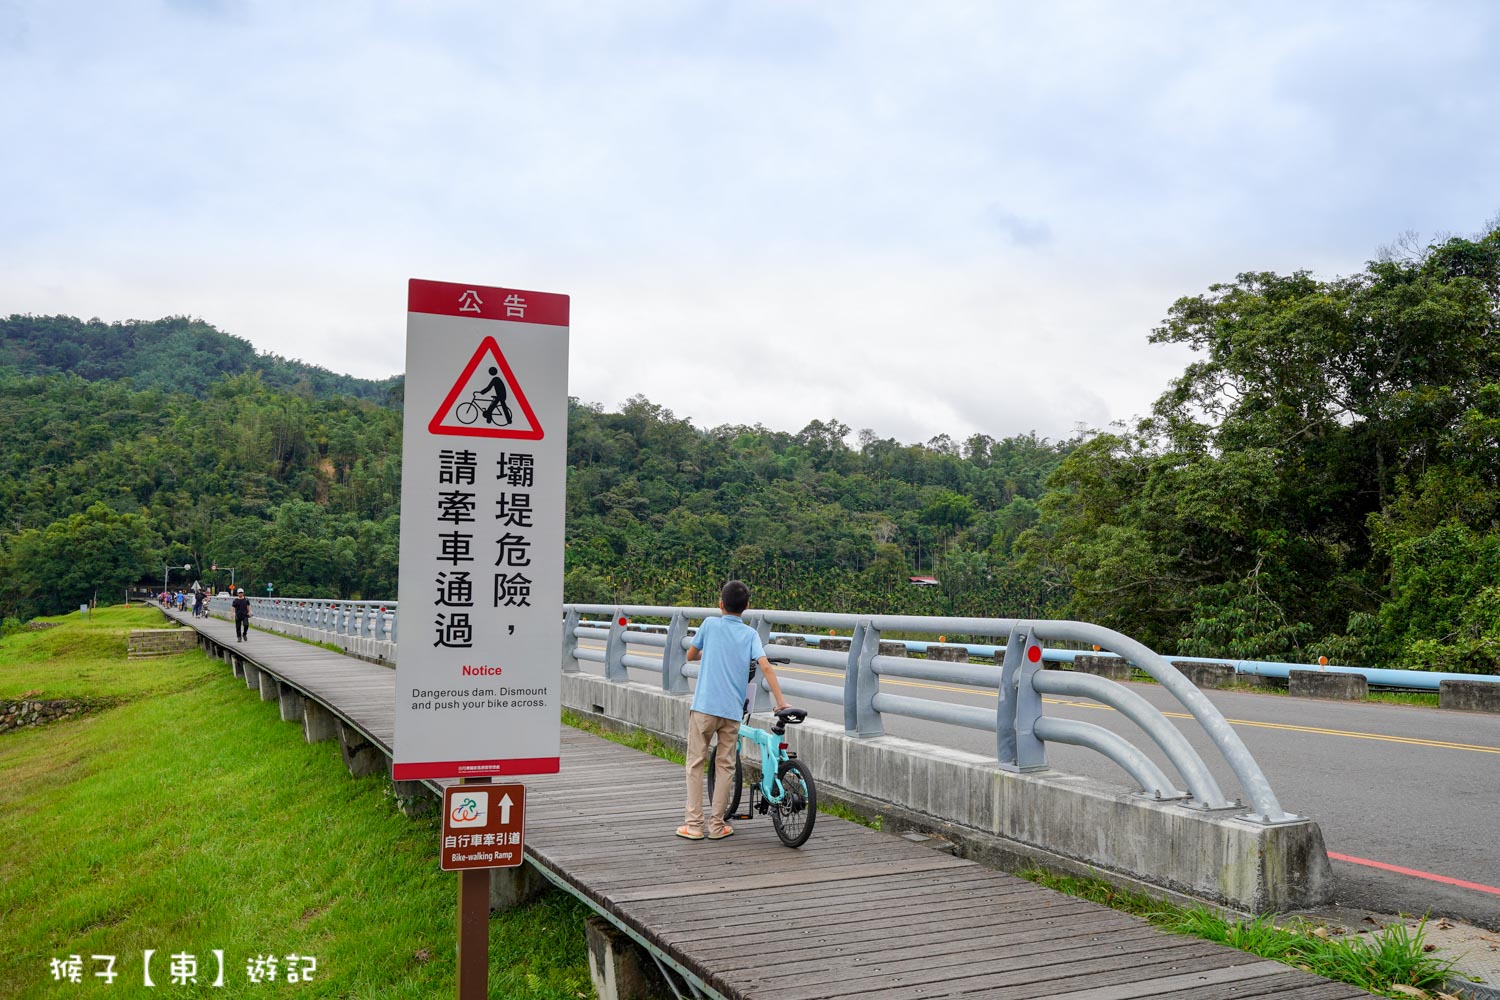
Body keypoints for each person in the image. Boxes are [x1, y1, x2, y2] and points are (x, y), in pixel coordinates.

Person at [678, 579, 790, 841]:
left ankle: (694, 826)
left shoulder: (709, 624)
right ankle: (717, 826)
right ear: (746, 607)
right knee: (726, 766)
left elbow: (690, 655)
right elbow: (765, 666)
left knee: (695, 763)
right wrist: (781, 700)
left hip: (704, 708)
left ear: (720, 604)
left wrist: (710, 654)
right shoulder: (750, 634)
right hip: (731, 712)